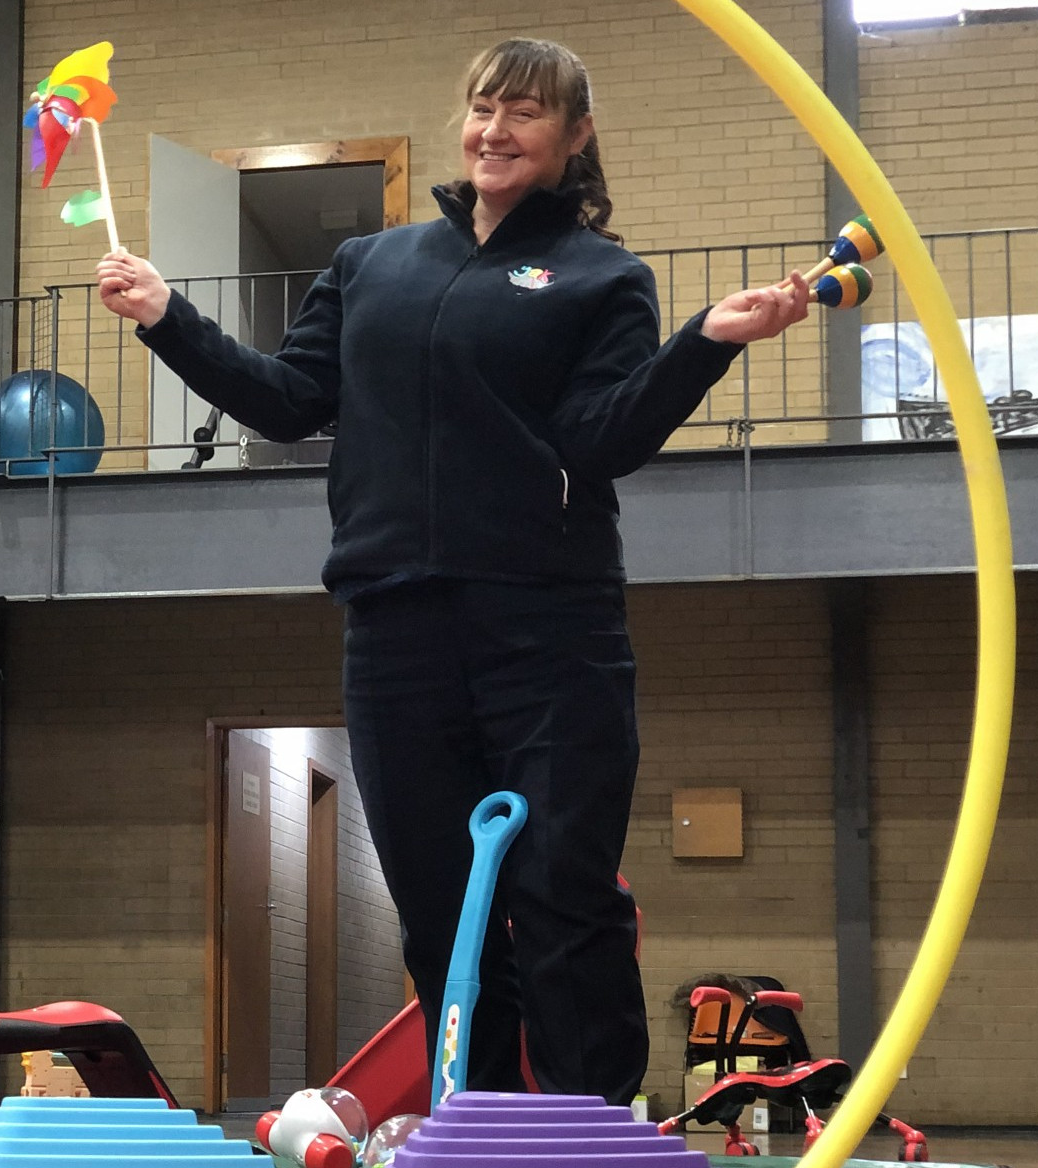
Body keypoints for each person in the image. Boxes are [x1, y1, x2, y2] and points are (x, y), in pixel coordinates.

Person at [97, 38, 809, 1106]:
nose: (495, 129)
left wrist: (704, 342)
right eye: (482, 107)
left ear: (572, 138)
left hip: (547, 626)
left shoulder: (600, 276)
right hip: (393, 627)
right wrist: (166, 314)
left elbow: (603, 437)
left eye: (526, 112)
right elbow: (288, 401)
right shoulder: (371, 265)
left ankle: (585, 1130)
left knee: (562, 890)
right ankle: (475, 1126)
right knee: (437, 906)